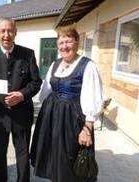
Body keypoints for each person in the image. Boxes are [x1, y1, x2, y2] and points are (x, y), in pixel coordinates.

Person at [30, 26, 103, 182]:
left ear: (77, 42)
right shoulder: (55, 64)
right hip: (52, 118)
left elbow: (93, 97)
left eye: (68, 41)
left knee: (69, 158)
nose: (64, 46)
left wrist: (87, 128)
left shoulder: (87, 66)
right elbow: (45, 91)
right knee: (53, 157)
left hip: (72, 119)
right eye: (61, 42)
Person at [0, 17, 42, 182]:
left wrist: (22, 95)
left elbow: (36, 82)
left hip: (22, 114)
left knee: (22, 154)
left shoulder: (28, 54)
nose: (6, 35)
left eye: (10, 31)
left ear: (15, 32)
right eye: (3, 31)